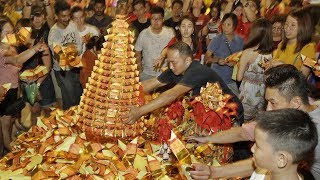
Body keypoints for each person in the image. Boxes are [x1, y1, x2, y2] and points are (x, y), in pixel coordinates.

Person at [188, 64, 320, 179]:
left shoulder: (314, 131)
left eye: (273, 103)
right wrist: (208, 139)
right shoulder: (291, 110)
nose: (268, 109)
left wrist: (215, 172)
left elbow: (267, 160)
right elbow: (244, 133)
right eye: (267, 102)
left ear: (296, 102)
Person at [125, 41, 244, 126]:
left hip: (229, 113)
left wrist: (139, 111)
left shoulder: (196, 70)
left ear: (187, 61)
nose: (170, 66)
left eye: (173, 62)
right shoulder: (175, 70)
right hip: (207, 114)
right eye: (169, 62)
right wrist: (125, 92)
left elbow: (171, 94)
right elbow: (151, 84)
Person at [0, 17, 48, 155]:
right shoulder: (2, 52)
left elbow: (47, 66)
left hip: (23, 87)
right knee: (5, 128)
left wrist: (35, 83)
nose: (10, 35)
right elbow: (17, 60)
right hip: (4, 92)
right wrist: (34, 48)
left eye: (12, 31)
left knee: (14, 122)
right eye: (6, 32)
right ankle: (11, 155)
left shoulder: (13, 45)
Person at [250, 109, 318, 180]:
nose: (252, 149)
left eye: (257, 146)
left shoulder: (263, 169)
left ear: (281, 159)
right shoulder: (264, 170)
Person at [48, 1, 83, 110]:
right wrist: (71, 50)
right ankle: (69, 124)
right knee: (70, 101)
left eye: (68, 15)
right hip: (63, 71)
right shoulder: (53, 34)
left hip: (76, 66)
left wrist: (71, 50)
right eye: (63, 16)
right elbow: (59, 56)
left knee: (80, 97)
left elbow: (79, 45)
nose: (67, 18)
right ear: (56, 16)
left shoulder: (72, 25)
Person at [237, 18, 273, 120]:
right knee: (258, 122)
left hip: (248, 93)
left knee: (243, 121)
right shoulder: (271, 53)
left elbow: (239, 78)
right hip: (264, 91)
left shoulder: (248, 52)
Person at [205, 13, 244, 96]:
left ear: (235, 26)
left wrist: (235, 63)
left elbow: (242, 59)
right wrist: (217, 60)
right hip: (216, 80)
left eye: (228, 24)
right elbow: (207, 57)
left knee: (235, 105)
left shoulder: (240, 41)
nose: (225, 27)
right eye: (223, 24)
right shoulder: (217, 39)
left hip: (231, 81)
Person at [134, 6, 175, 81]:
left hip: (165, 74)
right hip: (146, 74)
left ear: (163, 19)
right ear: (150, 19)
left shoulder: (170, 33)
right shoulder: (143, 34)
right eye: (153, 18)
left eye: (158, 18)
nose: (156, 21)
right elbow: (137, 53)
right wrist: (139, 71)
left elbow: (174, 50)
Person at [272, 9, 316, 77]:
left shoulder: (309, 48)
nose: (287, 28)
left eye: (293, 25)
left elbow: (303, 76)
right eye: (286, 23)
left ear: (303, 27)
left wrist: (284, 66)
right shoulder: (282, 44)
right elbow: (274, 61)